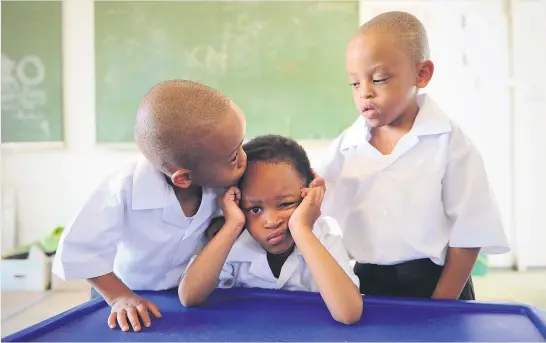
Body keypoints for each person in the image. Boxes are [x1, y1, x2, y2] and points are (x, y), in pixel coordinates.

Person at [317, 11, 509, 300]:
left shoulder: (450, 144)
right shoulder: (346, 146)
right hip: (369, 283)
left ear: (422, 74)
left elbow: (470, 230)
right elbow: (311, 202)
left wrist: (442, 304)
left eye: (379, 79)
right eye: (355, 84)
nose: (364, 93)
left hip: (439, 283)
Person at [53, 80, 247, 331]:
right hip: (122, 291)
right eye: (234, 156)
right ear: (184, 178)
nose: (244, 157)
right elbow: (80, 249)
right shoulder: (123, 187)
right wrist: (118, 297)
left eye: (242, 143)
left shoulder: (220, 182)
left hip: (180, 294)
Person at [180, 135, 362, 325]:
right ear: (237, 204)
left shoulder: (325, 236)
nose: (271, 222)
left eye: (285, 204)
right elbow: (189, 297)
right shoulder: (230, 241)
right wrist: (232, 224)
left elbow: (348, 313)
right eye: (255, 209)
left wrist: (301, 229)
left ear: (310, 196)